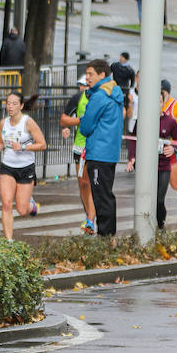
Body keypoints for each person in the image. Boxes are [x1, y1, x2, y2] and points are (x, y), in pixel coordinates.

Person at [0, 91, 47, 241]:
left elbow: (42, 144)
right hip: (7, 166)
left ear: (21, 106)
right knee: (6, 204)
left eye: (14, 103)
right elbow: (0, 141)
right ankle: (9, 241)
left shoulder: (28, 122)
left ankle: (32, 205)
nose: (10, 106)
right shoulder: (3, 122)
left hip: (26, 168)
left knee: (22, 210)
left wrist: (23, 148)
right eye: (8, 103)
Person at [78, 59, 124, 236]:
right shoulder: (114, 92)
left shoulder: (99, 96)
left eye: (91, 74)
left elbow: (86, 126)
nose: (87, 78)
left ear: (102, 75)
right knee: (106, 195)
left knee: (101, 197)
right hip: (110, 153)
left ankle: (105, 238)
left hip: (98, 152)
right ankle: (109, 236)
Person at [126, 98, 177, 230]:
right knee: (146, 198)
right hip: (146, 166)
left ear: (163, 103)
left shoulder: (170, 121)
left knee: (159, 199)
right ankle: (145, 227)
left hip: (163, 166)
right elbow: (133, 139)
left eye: (160, 101)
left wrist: (173, 148)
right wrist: (132, 157)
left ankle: (161, 225)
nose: (157, 104)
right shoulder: (142, 120)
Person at [60, 75, 97, 234]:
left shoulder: (102, 97)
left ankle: (91, 219)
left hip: (96, 146)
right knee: (83, 182)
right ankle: (89, 214)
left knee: (93, 183)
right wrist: (78, 122)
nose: (84, 87)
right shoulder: (77, 98)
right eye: (82, 84)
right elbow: (63, 119)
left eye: (87, 83)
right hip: (79, 145)